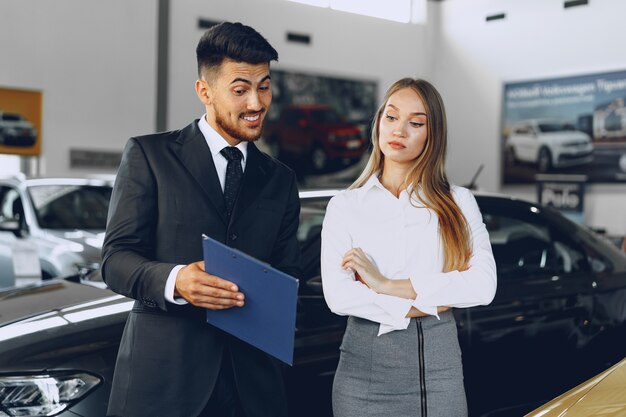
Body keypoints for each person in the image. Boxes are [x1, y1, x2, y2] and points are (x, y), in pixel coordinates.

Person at [102, 22, 300, 417]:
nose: (257, 103)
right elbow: (115, 260)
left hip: (253, 389)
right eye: (241, 89)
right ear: (204, 92)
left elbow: (287, 274)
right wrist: (176, 280)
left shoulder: (280, 180)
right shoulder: (150, 156)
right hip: (164, 382)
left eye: (264, 86)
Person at [320, 78, 497, 417]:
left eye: (415, 123)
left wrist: (385, 285)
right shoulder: (345, 206)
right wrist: (435, 298)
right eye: (391, 117)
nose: (399, 130)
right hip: (362, 372)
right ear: (378, 124)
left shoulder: (458, 202)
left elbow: (483, 286)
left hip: (438, 370)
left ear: (433, 135)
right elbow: (340, 297)